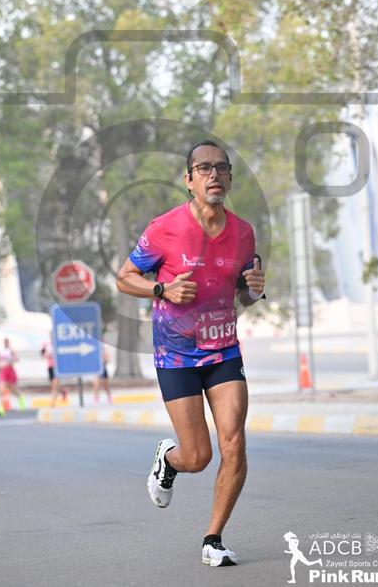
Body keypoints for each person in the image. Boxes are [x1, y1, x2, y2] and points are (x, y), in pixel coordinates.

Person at [116, 140, 265, 567]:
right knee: (198, 456)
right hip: (176, 356)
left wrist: (254, 291)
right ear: (189, 180)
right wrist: (162, 288)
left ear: (230, 178)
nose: (213, 174)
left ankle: (213, 538)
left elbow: (244, 294)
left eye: (221, 168)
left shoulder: (243, 233)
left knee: (233, 443)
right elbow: (124, 278)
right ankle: (170, 459)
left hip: (223, 351)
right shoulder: (164, 228)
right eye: (204, 168)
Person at [0, 337, 26, 416]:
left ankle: (22, 401)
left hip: (10, 372)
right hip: (3, 372)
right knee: (1, 391)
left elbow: (17, 359)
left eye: (7, 342)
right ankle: (0, 409)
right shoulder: (0, 351)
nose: (5, 343)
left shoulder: (11, 351)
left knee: (14, 390)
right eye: (4, 342)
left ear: (8, 343)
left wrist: (10, 360)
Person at [40, 332, 68, 407]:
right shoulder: (46, 344)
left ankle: (53, 402)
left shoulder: (59, 343)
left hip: (58, 367)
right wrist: (47, 355)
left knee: (54, 385)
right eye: (51, 335)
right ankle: (63, 391)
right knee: (54, 384)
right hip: (50, 366)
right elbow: (42, 354)